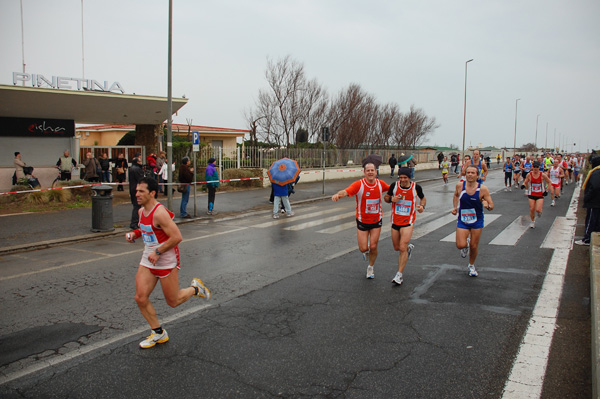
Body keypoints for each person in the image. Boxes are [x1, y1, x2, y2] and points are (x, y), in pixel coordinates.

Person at [126, 177, 210, 349]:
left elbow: (177, 237)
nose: (137, 194)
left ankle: (196, 289)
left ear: (152, 193)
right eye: (136, 191)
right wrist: (135, 234)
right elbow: (147, 229)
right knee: (140, 297)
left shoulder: (160, 213)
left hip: (166, 259)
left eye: (141, 191)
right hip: (148, 258)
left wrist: (158, 252)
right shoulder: (142, 212)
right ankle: (158, 333)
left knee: (173, 301)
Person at [332, 163, 390, 278]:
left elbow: (392, 189)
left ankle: (370, 268)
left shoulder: (380, 184)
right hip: (362, 220)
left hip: (376, 220)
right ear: (364, 172)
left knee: (373, 246)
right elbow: (346, 191)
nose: (370, 172)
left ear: (376, 172)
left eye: (372, 170)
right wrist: (338, 195)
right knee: (363, 248)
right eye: (368, 170)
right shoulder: (359, 184)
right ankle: (366, 252)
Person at [384, 167, 426, 285]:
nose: (402, 180)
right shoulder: (394, 186)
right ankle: (409, 249)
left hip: (408, 221)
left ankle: (399, 275)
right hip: (395, 221)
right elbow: (386, 198)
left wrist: (422, 206)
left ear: (409, 177)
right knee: (397, 247)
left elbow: (423, 198)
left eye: (405, 177)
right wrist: (392, 199)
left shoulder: (416, 187)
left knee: (402, 247)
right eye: (401, 177)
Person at [452, 164, 494, 277]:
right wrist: (455, 208)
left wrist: (487, 205)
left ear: (477, 175)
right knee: (460, 244)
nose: (470, 175)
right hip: (463, 219)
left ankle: (471, 265)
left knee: (474, 246)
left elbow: (491, 205)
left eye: (472, 173)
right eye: (468, 172)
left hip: (477, 220)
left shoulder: (483, 189)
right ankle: (465, 246)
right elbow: (456, 196)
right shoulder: (460, 186)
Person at [575, 156, 600, 246]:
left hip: (594, 202)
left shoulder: (596, 173)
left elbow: (595, 187)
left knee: (591, 221)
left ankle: (587, 239)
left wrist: (587, 197)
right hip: (596, 201)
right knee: (596, 221)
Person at [522, 161, 552, 229]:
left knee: (538, 209)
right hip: (532, 194)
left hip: (540, 194)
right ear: (532, 167)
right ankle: (532, 222)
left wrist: (546, 191)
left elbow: (549, 182)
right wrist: (523, 185)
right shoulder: (529, 174)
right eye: (534, 167)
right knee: (532, 209)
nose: (535, 168)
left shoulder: (542, 175)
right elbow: (526, 181)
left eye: (537, 167)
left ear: (539, 167)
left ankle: (539, 212)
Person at [128, 153, 145, 229]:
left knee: (136, 205)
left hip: (132, 188)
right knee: (137, 206)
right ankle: (134, 223)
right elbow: (141, 179)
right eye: (140, 160)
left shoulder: (132, 168)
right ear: (137, 162)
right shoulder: (137, 169)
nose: (141, 162)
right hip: (136, 189)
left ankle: (137, 221)